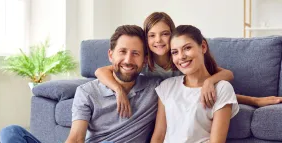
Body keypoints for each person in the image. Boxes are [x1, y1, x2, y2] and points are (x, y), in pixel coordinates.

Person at [0, 25, 162, 143]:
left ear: (145, 60)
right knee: (11, 133)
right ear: (110, 55)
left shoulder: (155, 89)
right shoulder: (87, 91)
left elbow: (180, 70)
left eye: (135, 53)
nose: (128, 60)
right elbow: (77, 138)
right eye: (122, 52)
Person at [125, 25, 240, 143]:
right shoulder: (167, 87)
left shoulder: (222, 88)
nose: (182, 57)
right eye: (175, 52)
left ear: (202, 47)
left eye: (187, 48)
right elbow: (158, 136)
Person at [95, 12, 282, 118]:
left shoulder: (182, 59)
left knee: (210, 89)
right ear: (146, 39)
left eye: (165, 34)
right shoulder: (143, 61)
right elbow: (100, 71)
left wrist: (209, 82)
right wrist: (119, 90)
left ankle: (255, 100)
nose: (158, 40)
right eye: (152, 35)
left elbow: (227, 74)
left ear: (173, 35)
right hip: (158, 102)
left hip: (186, 96)